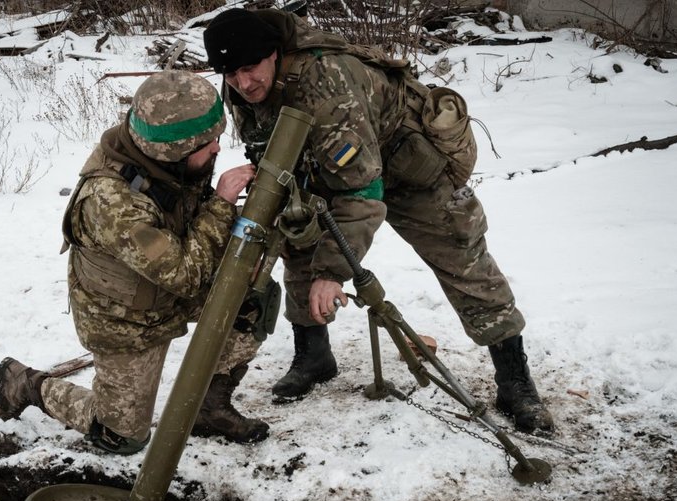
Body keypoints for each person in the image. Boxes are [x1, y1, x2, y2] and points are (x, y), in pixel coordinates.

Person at [202, 8, 554, 432]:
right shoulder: (243, 87)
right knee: (297, 237)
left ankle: (515, 379)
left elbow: (360, 191)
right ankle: (313, 356)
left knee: (462, 257)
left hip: (408, 168)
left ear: (274, 54)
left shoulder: (326, 81)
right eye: (230, 73)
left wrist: (333, 272)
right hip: (324, 164)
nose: (242, 83)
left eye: (249, 68)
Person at [0, 70, 270, 453]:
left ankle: (209, 407)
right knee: (122, 437)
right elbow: (185, 275)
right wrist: (221, 205)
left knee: (254, 296)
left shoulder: (162, 154)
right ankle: (25, 383)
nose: (218, 149)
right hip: (126, 320)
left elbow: (187, 226)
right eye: (208, 144)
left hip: (167, 283)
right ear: (174, 152)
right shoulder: (111, 202)